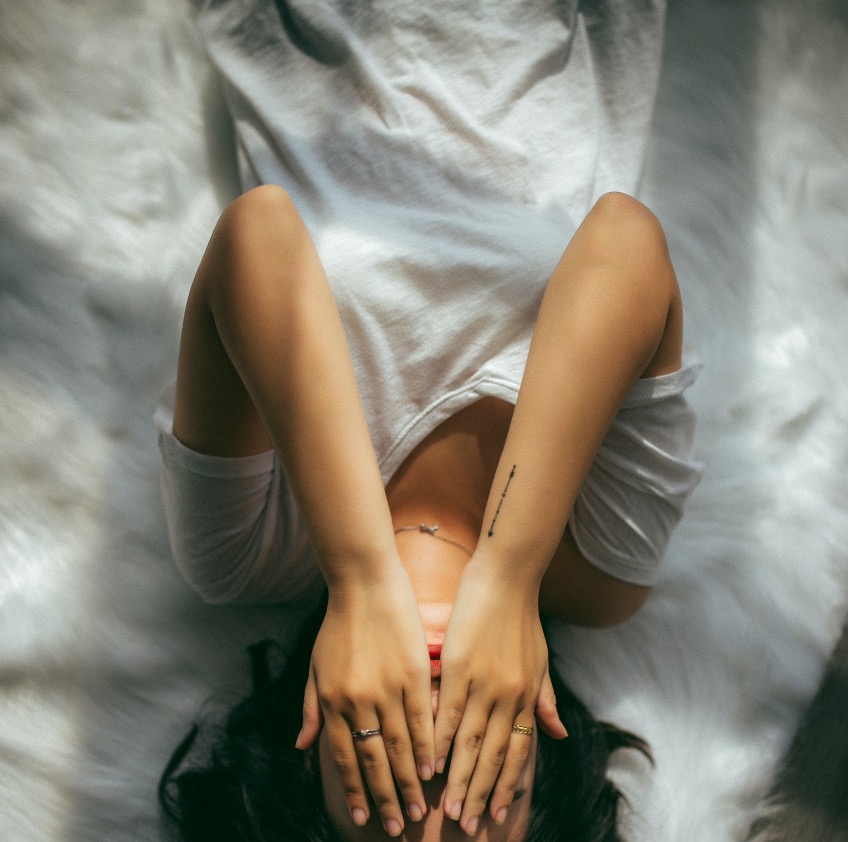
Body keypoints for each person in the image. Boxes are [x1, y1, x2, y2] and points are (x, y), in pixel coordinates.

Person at [155, 184, 701, 840]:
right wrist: (508, 573)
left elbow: (256, 230)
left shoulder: (242, 551)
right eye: (483, 778)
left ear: (310, 757)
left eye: (391, 780)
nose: (436, 731)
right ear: (539, 748)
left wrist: (360, 576)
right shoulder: (604, 571)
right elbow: (624, 239)